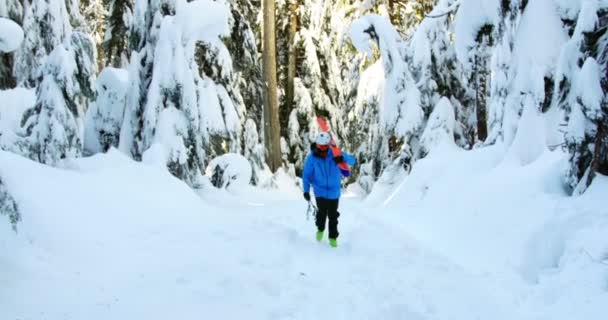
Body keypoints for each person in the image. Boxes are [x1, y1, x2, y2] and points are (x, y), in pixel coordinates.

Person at [302, 132, 350, 248]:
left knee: (333, 216)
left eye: (324, 146)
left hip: (334, 192)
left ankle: (333, 238)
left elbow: (352, 161)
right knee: (322, 213)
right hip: (320, 191)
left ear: (328, 145)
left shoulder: (335, 154)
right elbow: (306, 175)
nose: (322, 149)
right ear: (317, 145)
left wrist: (342, 159)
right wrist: (306, 191)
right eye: (319, 146)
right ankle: (320, 228)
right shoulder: (312, 158)